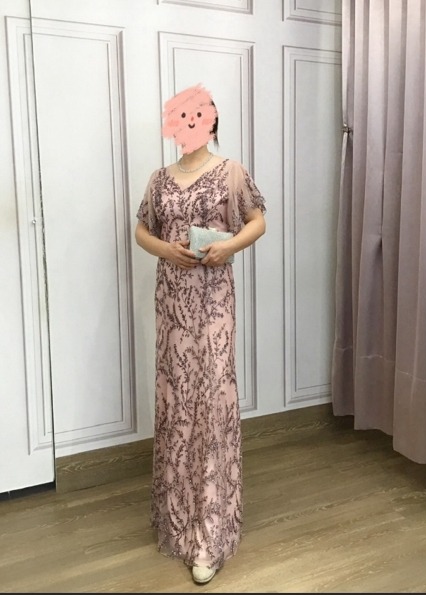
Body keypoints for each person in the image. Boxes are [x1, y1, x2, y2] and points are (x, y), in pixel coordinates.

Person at [135, 83, 266, 585]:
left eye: (197, 115)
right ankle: (176, 515)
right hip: (172, 302)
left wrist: (228, 245)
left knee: (211, 400)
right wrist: (164, 250)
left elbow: (257, 221)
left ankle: (209, 531)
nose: (188, 123)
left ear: (211, 121)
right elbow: (142, 230)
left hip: (213, 301)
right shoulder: (158, 179)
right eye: (180, 116)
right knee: (177, 398)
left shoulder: (231, 171)